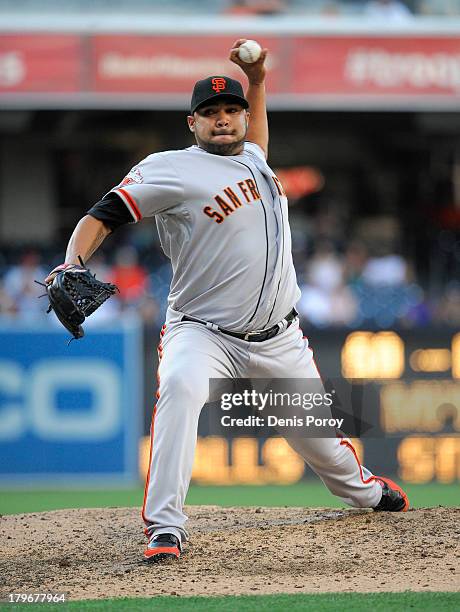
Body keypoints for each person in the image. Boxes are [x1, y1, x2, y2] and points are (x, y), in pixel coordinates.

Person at [45, 40, 409, 564]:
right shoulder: (170, 169)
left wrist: (257, 82)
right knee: (179, 388)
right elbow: (100, 215)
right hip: (203, 332)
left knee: (321, 446)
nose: (223, 120)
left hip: (279, 337)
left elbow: (256, 140)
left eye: (231, 111)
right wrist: (72, 262)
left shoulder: (257, 160)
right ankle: (164, 528)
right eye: (210, 112)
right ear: (191, 123)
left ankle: (365, 493)